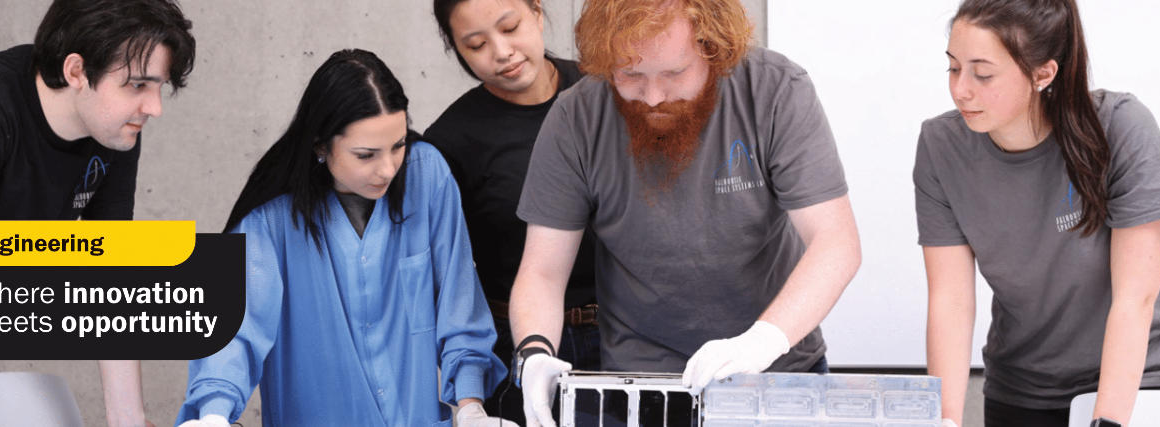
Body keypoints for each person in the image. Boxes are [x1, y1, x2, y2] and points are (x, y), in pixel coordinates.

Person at [508, 0, 862, 424]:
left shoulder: (775, 90)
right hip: (640, 386)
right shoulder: (575, 117)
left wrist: (761, 342)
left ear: (714, 48)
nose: (653, 96)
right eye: (631, 74)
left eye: (675, 73)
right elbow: (543, 271)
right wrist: (533, 353)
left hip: (777, 373)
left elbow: (835, 242)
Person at [175, 49, 512, 427]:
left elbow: (459, 303)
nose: (387, 169)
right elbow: (235, 328)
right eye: (366, 155)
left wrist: (471, 409)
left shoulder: (427, 175)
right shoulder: (270, 219)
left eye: (398, 145)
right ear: (320, 144)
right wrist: (214, 415)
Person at [0, 0, 196, 426]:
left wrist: (128, 419)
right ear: (77, 71)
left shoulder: (112, 132)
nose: (154, 107)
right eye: (137, 85)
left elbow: (110, 272)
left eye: (160, 87)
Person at [916, 1, 1160, 426]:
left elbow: (1136, 298)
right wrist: (944, 420)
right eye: (953, 68)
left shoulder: (1121, 127)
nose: (960, 89)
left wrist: (1107, 422)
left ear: (1043, 73)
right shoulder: (940, 146)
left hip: (1139, 382)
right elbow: (950, 300)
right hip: (1023, 388)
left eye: (982, 73)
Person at [425, 0, 600, 422]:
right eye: (477, 44)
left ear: (537, 13)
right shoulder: (450, 142)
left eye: (511, 27)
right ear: (455, 48)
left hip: (623, 333)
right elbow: (445, 277)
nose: (501, 52)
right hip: (514, 344)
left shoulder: (605, 90)